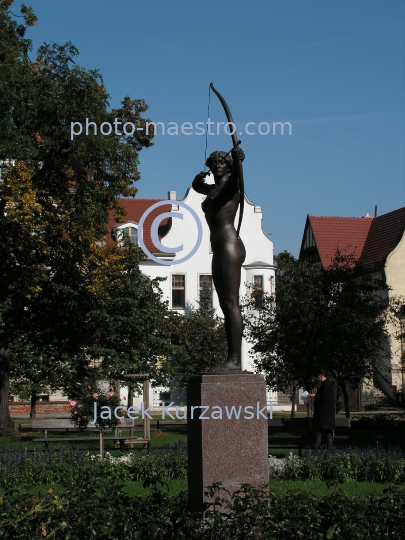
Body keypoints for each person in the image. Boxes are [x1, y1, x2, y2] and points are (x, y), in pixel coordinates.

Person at [192, 147, 245, 371]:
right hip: (220, 248)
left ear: (229, 165)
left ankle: (235, 361)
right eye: (213, 162)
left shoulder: (231, 187)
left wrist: (238, 160)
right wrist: (197, 179)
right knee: (225, 304)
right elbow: (197, 186)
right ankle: (232, 358)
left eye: (221, 162)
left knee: (232, 303)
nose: (216, 166)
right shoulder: (215, 188)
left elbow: (237, 179)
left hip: (229, 246)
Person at [309, 370, 335, 451]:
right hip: (327, 416)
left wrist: (315, 396)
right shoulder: (328, 384)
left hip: (323, 415)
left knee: (319, 434)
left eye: (317, 377)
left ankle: (313, 454)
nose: (317, 379)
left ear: (320, 375)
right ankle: (329, 454)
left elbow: (324, 398)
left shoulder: (325, 385)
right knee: (328, 434)